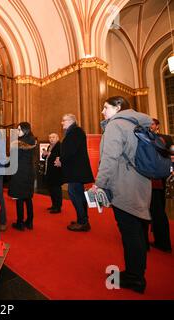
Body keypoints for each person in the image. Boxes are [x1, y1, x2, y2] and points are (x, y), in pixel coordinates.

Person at [92, 96, 152, 293]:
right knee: (137, 231)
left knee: (130, 233)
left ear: (118, 107)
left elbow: (109, 157)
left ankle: (135, 278)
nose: (103, 111)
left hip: (124, 185)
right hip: (141, 183)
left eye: (105, 107)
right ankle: (136, 272)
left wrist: (99, 184)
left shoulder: (116, 125)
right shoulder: (137, 123)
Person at [54, 114, 94, 231]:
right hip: (76, 170)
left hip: (76, 171)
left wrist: (60, 160)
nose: (62, 123)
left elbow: (70, 151)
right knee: (78, 195)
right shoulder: (74, 131)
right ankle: (82, 219)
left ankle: (83, 222)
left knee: (74, 194)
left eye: (64, 120)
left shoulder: (75, 131)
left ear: (71, 121)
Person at [147, 118, 172, 253]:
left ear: (157, 126)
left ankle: (162, 242)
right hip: (155, 179)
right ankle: (160, 239)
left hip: (156, 180)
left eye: (152, 123)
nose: (149, 126)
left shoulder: (162, 139)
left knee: (158, 211)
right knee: (156, 210)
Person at [8, 122, 37, 231]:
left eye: (19, 129)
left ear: (25, 130)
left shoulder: (19, 143)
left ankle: (20, 223)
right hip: (29, 172)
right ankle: (29, 222)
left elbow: (13, 158)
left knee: (19, 198)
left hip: (20, 172)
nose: (17, 131)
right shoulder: (32, 140)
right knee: (28, 198)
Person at [41, 133, 63, 213]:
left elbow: (60, 156)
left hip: (56, 172)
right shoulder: (49, 146)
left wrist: (49, 154)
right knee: (51, 190)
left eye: (53, 137)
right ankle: (54, 205)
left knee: (56, 190)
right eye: (50, 137)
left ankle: (58, 207)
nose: (51, 139)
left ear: (57, 138)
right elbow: (46, 158)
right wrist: (44, 155)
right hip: (49, 172)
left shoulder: (60, 146)